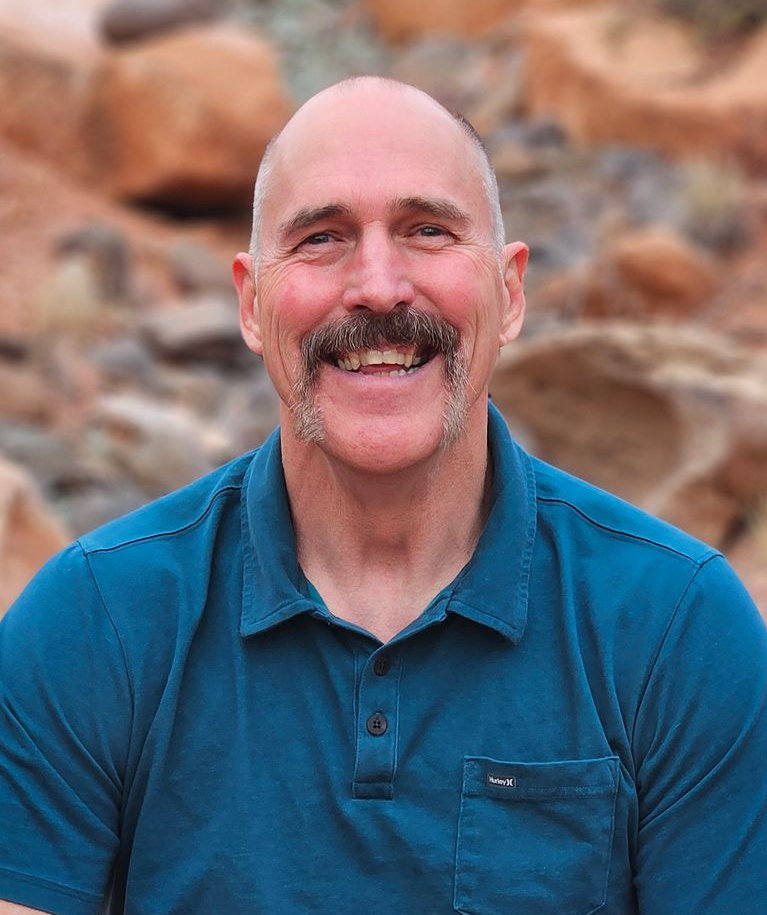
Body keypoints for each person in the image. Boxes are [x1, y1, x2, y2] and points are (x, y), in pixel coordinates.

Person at [0, 77, 765, 915]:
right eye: (322, 237)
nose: (377, 284)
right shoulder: (95, 622)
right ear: (250, 303)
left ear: (509, 294)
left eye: (426, 230)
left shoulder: (675, 629)